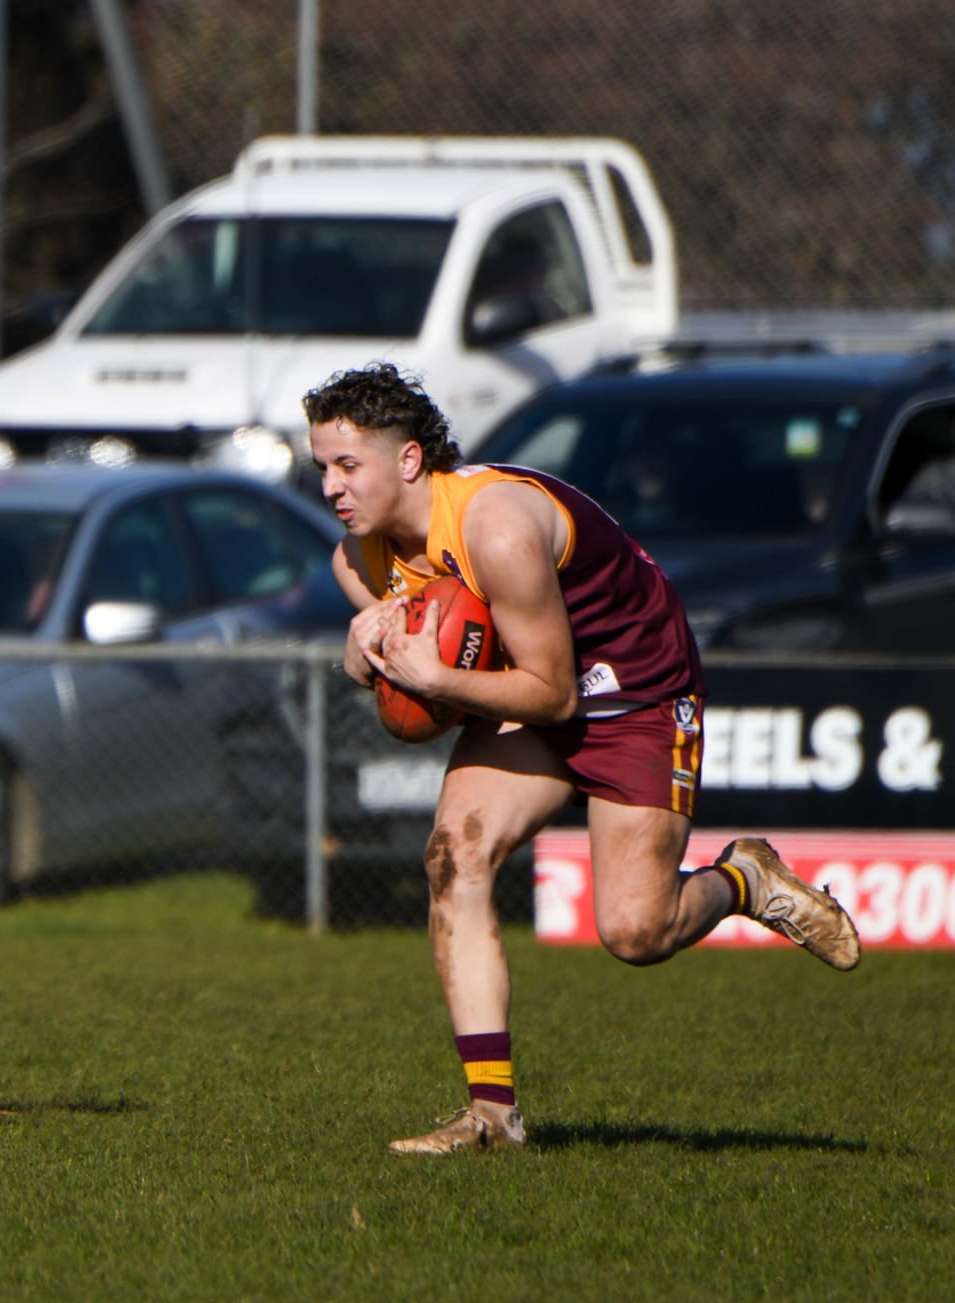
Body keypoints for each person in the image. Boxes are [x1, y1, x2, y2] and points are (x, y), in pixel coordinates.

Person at [304, 363, 859, 1157]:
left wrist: (434, 679)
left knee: (637, 931)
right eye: (321, 464)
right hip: (529, 689)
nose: (330, 485)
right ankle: (492, 1117)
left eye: (347, 464)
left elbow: (553, 693)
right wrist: (363, 662)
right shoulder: (358, 562)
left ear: (410, 459)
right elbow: (418, 710)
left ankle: (746, 878)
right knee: (454, 856)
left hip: (634, 690)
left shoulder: (496, 528)